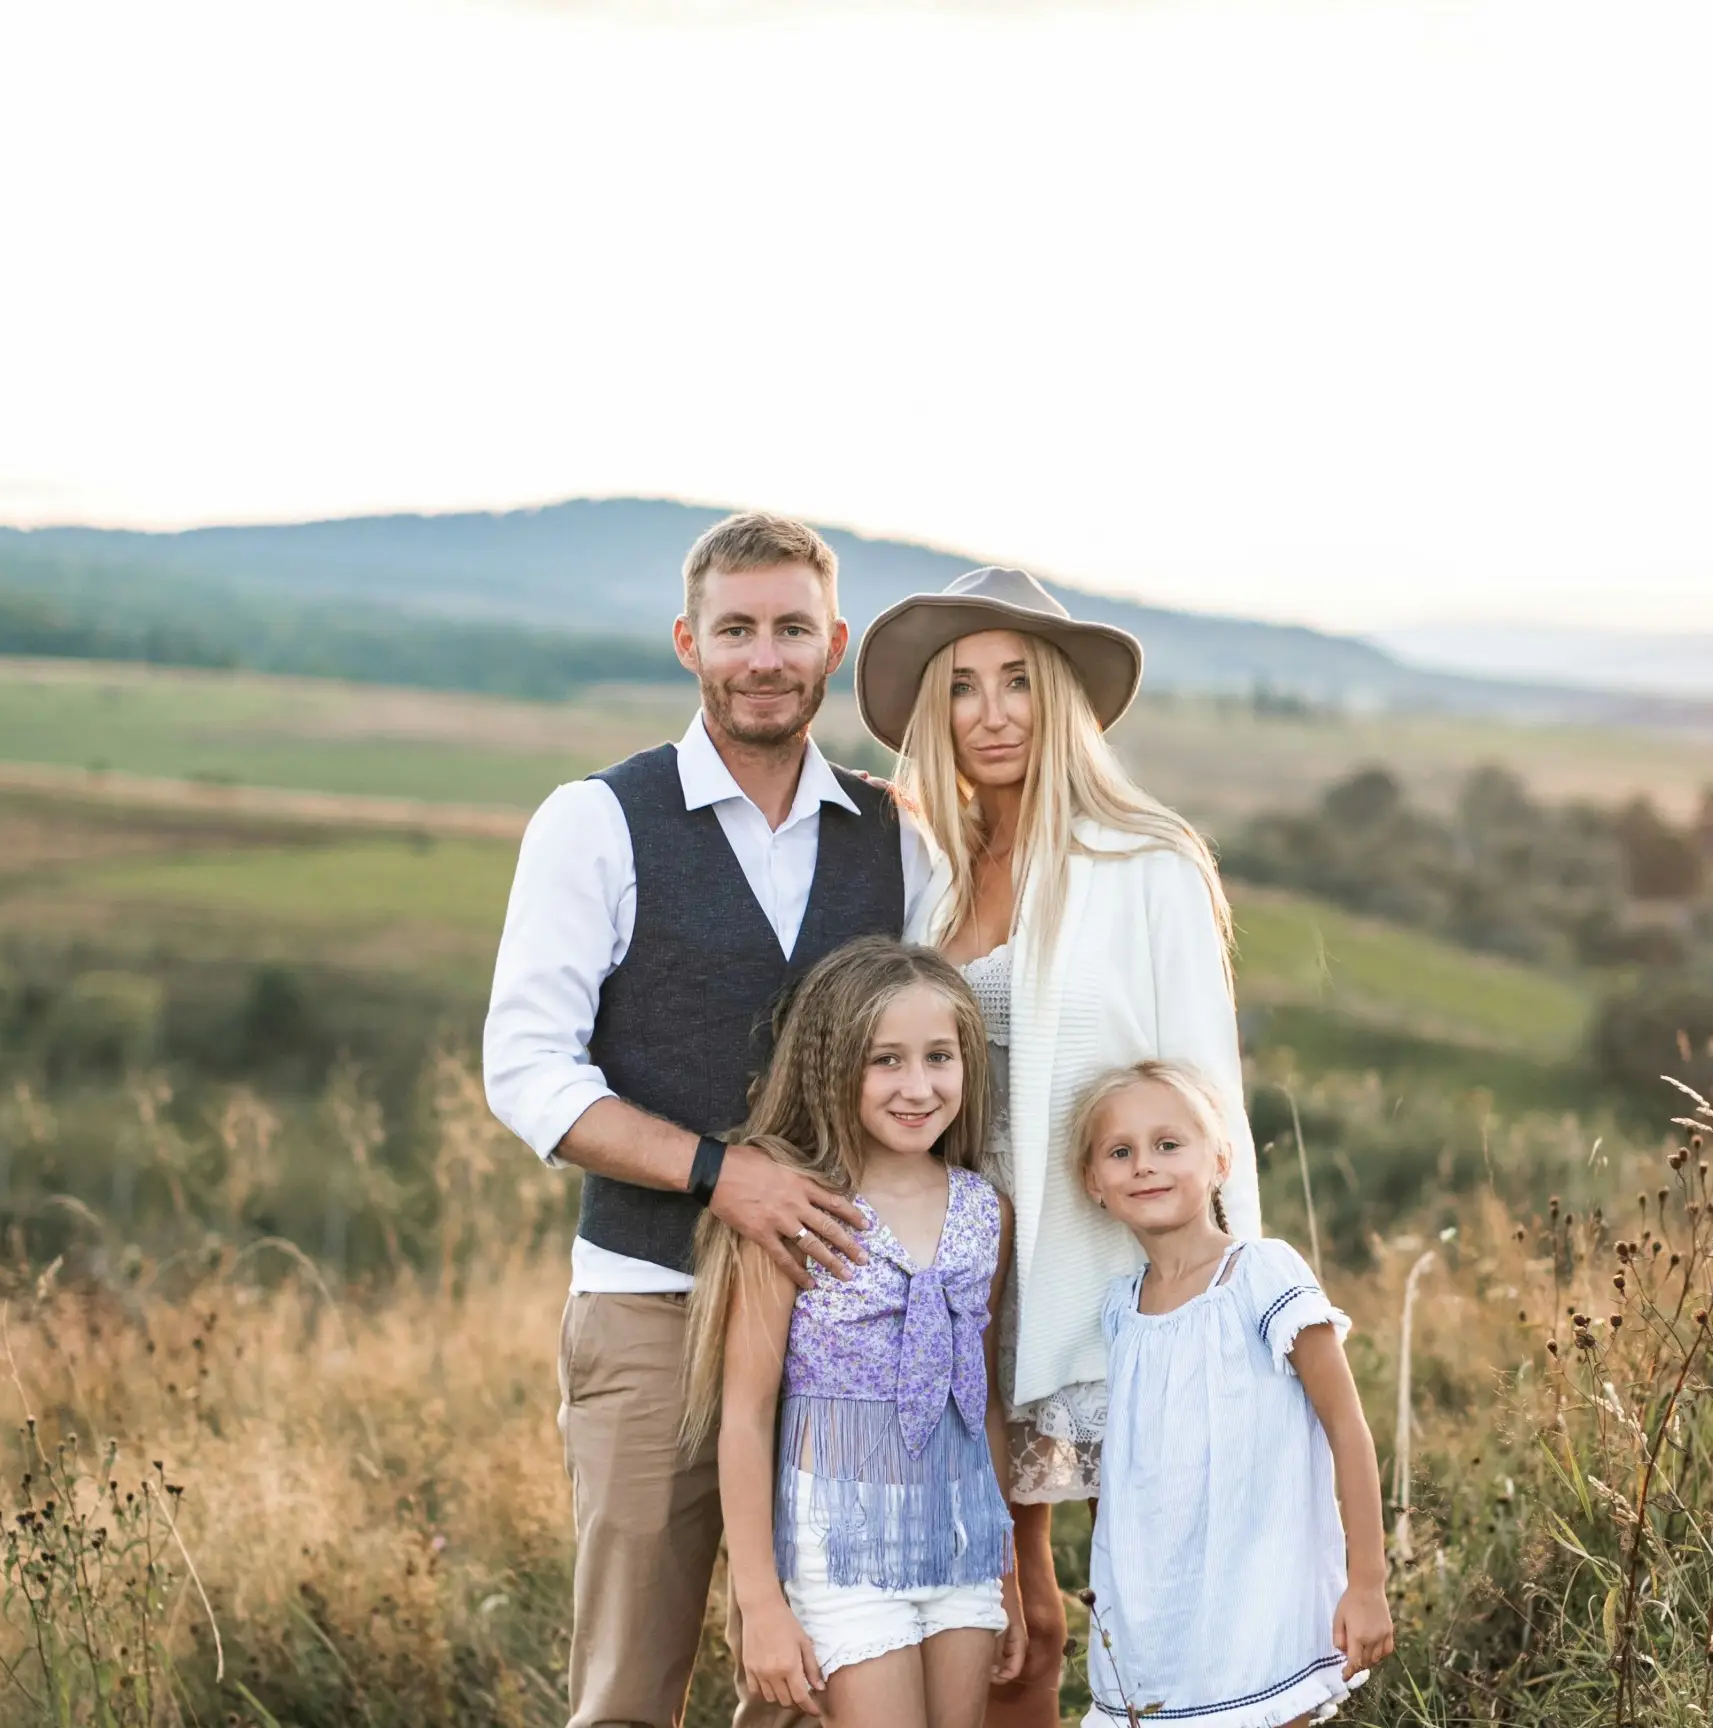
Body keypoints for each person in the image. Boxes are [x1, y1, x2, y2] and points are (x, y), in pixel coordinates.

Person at [483, 512, 934, 1728]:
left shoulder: (899, 835)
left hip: (847, 1322)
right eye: (736, 630)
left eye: (791, 629)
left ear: (832, 645)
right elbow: (526, 1070)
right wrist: (716, 1175)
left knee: (815, 1688)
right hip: (649, 1308)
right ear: (689, 641)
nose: (764, 657)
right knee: (631, 1688)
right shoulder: (594, 821)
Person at [852, 567, 1259, 1722]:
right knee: (1006, 1624)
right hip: (963, 1299)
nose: (989, 713)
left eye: (1016, 682)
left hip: (1107, 1293)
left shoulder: (1145, 864)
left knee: (1159, 1614)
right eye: (963, 688)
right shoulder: (930, 886)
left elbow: (1203, 1099)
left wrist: (1223, 1307)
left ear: (1062, 701)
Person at [683, 937, 1029, 1725]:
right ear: (834, 1065)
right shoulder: (796, 1213)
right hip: (843, 1549)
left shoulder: (986, 1212)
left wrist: (1004, 1569)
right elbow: (744, 1416)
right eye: (887, 1061)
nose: (919, 1086)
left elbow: (985, 1406)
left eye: (940, 1057)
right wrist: (761, 1603)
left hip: (963, 1540)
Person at [1075, 1060, 1394, 1727]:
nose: (1144, 1166)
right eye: (1120, 1152)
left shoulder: (1261, 1273)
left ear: (1220, 1159)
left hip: (1256, 1600)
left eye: (1168, 1145)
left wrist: (1366, 1584)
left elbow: (1346, 1425)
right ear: (1093, 1183)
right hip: (1154, 1615)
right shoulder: (1118, 1308)